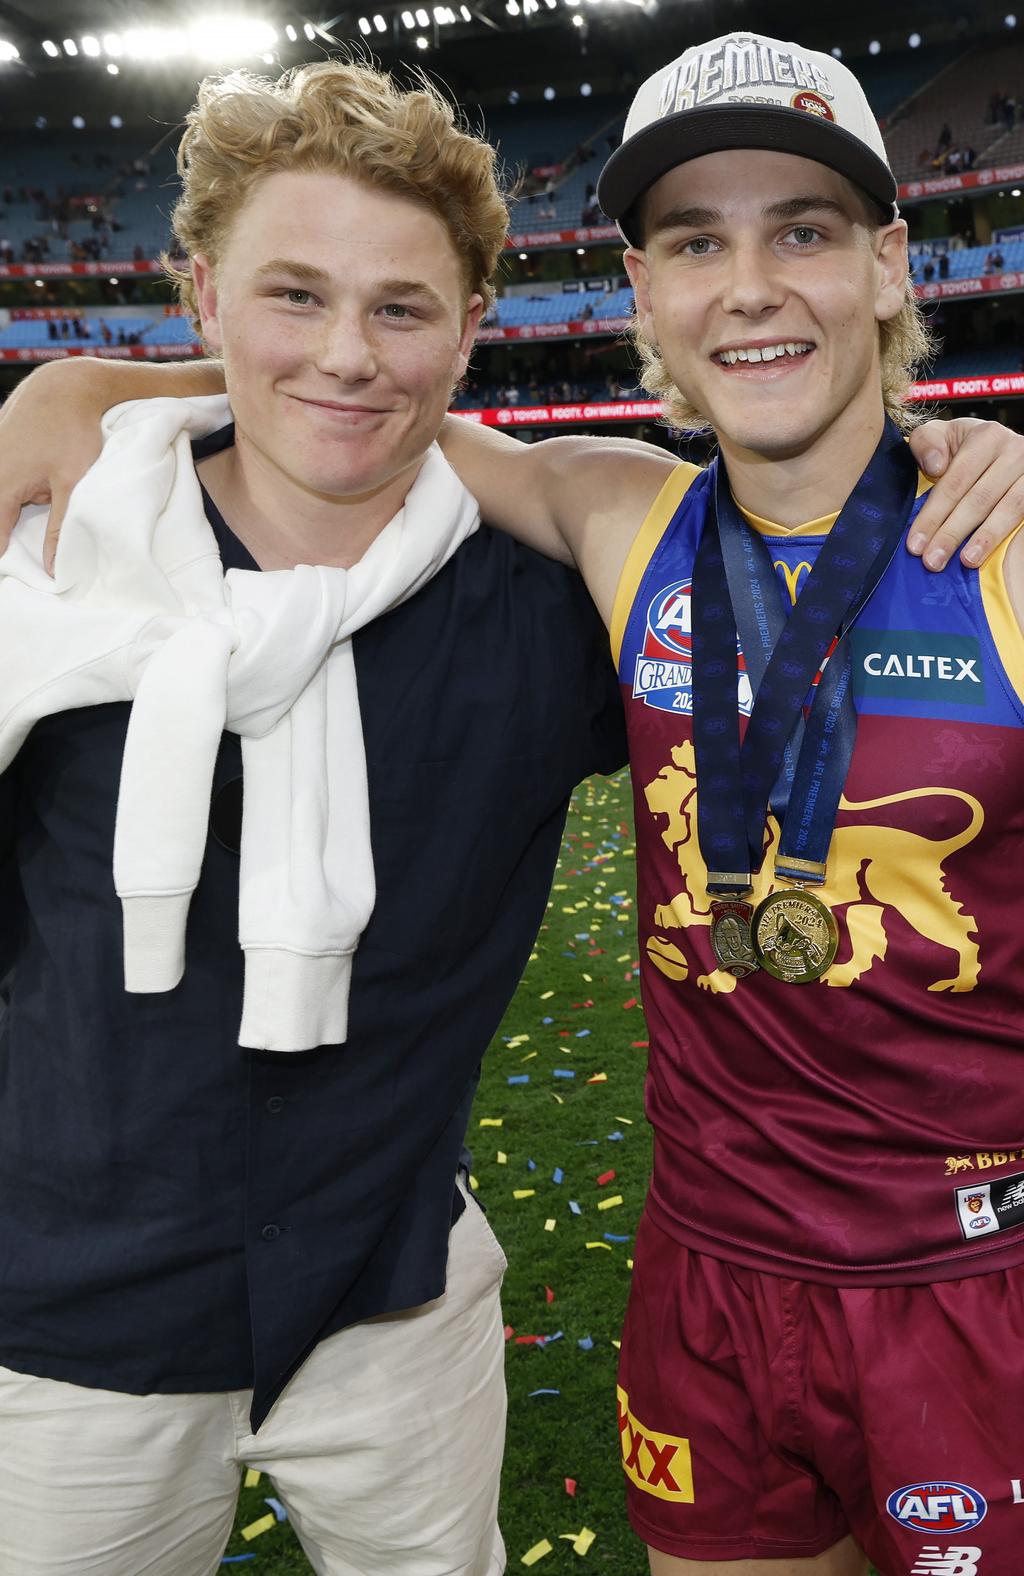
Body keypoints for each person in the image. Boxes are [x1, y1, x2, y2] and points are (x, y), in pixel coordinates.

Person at [6, 35, 1024, 1576]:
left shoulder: (968, 554)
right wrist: (86, 378)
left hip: (936, 1278)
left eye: (802, 231)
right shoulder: (604, 521)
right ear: (644, 298)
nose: (748, 286)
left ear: (891, 264)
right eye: (695, 242)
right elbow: (350, 387)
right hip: (692, 1279)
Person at [0, 60, 628, 1576]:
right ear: (204, 295)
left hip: (392, 1302)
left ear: (476, 328)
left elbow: (802, 537)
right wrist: (79, 385)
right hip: (59, 1326)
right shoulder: (44, 565)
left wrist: (971, 452)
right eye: (294, 294)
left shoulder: (556, 608)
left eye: (402, 309)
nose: (348, 355)